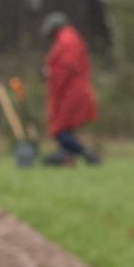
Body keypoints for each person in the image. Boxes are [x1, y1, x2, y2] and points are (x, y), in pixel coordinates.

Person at [41, 10, 102, 167]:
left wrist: (49, 73)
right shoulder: (68, 39)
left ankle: (87, 154)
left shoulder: (67, 41)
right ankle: (67, 158)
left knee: (59, 129)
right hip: (71, 91)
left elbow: (66, 68)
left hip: (72, 93)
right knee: (66, 129)